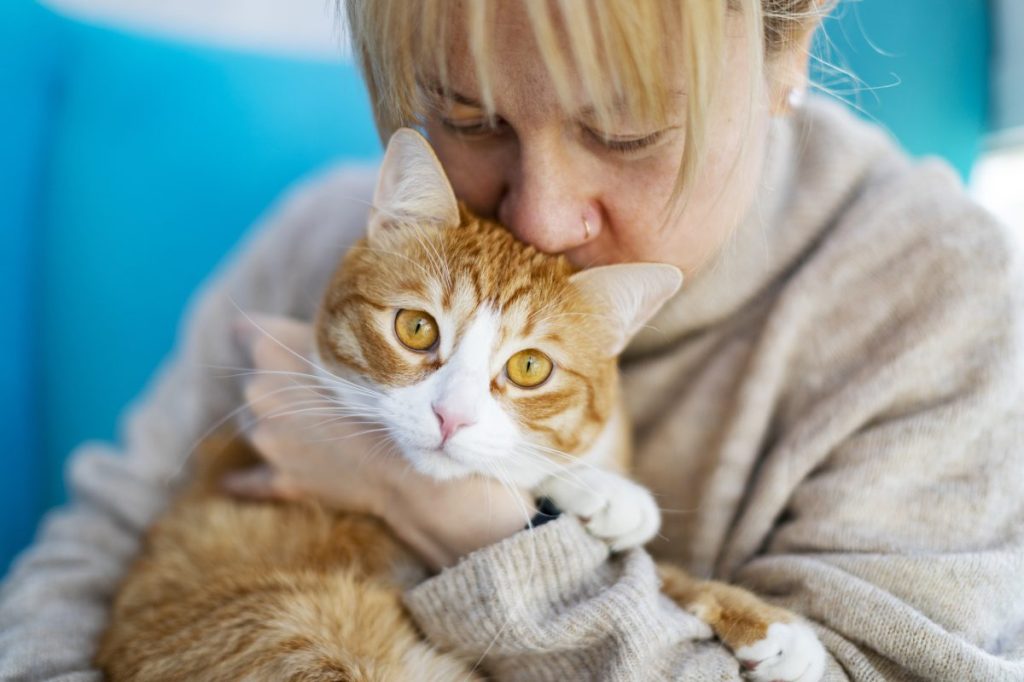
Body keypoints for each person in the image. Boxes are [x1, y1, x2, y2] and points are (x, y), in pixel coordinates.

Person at [2, 1, 1023, 679]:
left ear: (785, 48)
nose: (536, 217)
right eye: (466, 117)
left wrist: (462, 519)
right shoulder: (326, 235)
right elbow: (84, 566)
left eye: (624, 134)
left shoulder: (938, 303)